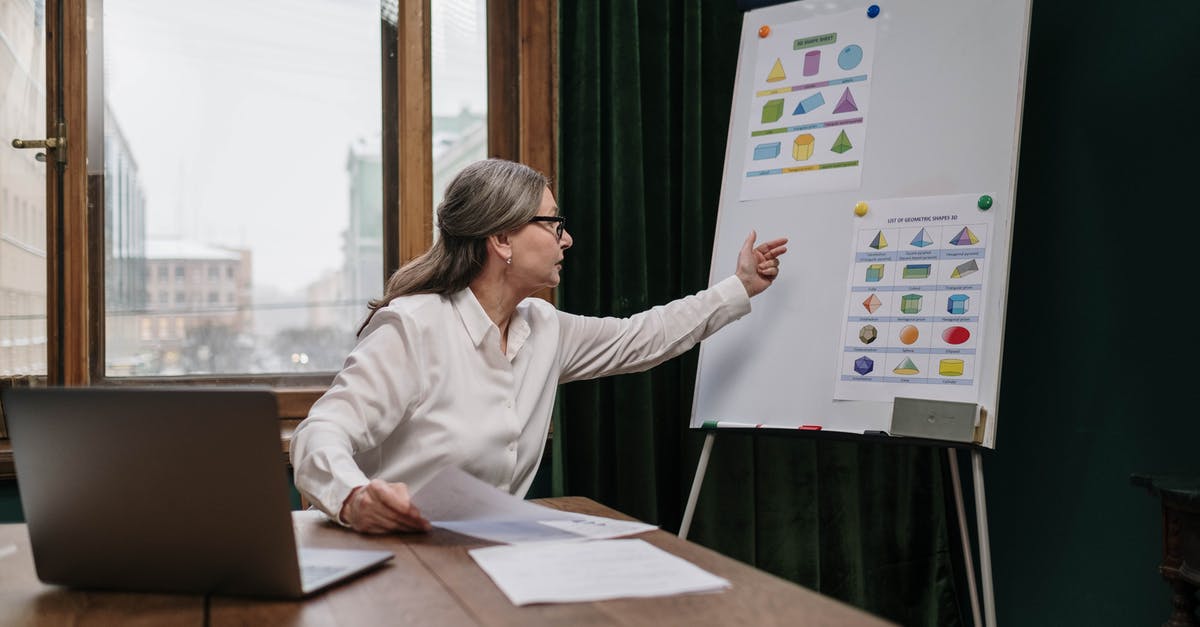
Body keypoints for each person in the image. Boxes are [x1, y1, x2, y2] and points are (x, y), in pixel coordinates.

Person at [290, 158, 788, 534]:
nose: (566, 239)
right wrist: (355, 496)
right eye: (553, 224)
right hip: (397, 559)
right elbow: (321, 432)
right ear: (503, 239)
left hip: (492, 556)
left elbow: (644, 337)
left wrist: (739, 286)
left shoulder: (544, 327)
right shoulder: (412, 328)